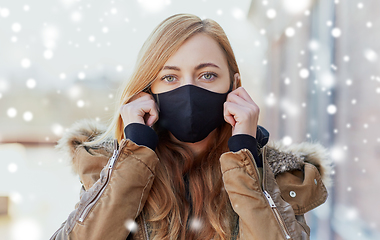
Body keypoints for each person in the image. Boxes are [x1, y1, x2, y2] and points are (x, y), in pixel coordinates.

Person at [50, 13, 331, 240]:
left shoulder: (278, 175)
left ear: (234, 87)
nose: (188, 91)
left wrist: (248, 161)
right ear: (147, 91)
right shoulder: (108, 163)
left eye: (207, 75)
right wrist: (133, 154)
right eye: (170, 78)